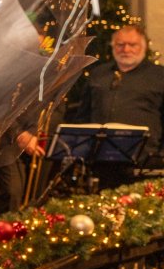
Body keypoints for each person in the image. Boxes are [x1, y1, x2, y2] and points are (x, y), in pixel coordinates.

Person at [70, 24, 164, 187]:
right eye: (120, 44)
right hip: (101, 160)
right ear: (113, 47)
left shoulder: (159, 75)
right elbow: (83, 115)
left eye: (132, 44)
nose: (125, 49)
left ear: (143, 46)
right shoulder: (99, 73)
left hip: (145, 161)